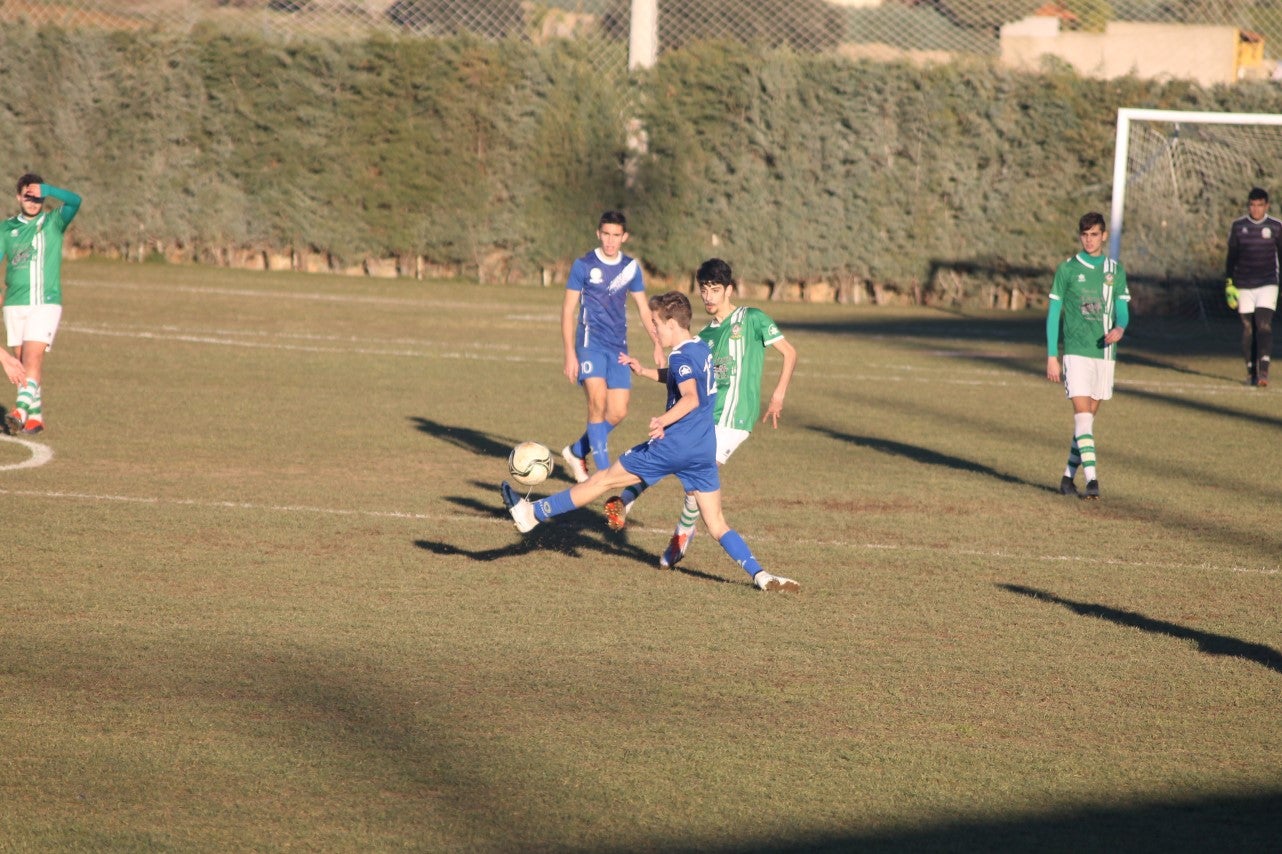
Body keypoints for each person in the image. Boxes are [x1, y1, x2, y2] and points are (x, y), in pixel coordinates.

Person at [503, 291, 799, 592]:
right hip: (702, 451)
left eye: (656, 324)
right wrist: (644, 371)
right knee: (717, 523)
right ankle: (761, 575)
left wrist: (663, 420)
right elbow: (683, 378)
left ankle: (532, 514)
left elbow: (691, 397)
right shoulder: (701, 347)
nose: (654, 331)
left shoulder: (679, 356)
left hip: (673, 446)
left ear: (671, 323)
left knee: (603, 480)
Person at [604, 258, 798, 569]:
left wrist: (778, 395)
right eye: (704, 290)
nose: (708, 296)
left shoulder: (752, 318)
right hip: (705, 415)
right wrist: (645, 372)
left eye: (715, 290)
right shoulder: (704, 336)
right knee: (671, 457)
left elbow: (789, 352)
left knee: (691, 474)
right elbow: (681, 377)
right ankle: (634, 506)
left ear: (729, 290)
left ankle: (675, 530)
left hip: (734, 419)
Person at [559, 210, 664, 484]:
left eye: (616, 235)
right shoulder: (583, 265)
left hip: (618, 348)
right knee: (597, 403)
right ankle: (604, 474)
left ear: (624, 237)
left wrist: (656, 343)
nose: (610, 240)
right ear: (598, 233)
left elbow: (643, 308)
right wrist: (570, 353)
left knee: (618, 412)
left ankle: (577, 451)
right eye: (605, 234)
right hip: (589, 344)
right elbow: (568, 310)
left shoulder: (630, 268)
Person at [1046, 211, 1130, 500]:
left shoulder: (1115, 271)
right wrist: (1052, 355)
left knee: (1087, 423)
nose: (1089, 240)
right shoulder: (1067, 269)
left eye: (1094, 234)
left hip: (1104, 355)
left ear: (1104, 236)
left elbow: (1122, 309)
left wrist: (1120, 327)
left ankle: (1067, 478)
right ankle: (1092, 480)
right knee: (1082, 417)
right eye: (1084, 234)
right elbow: (1053, 314)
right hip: (1076, 352)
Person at [1, 173, 82, 435]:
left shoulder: (54, 221)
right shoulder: (6, 228)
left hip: (46, 303)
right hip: (14, 303)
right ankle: (35, 417)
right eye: (28, 196)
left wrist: (49, 189)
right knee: (20, 361)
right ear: (19, 197)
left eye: (38, 197)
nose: (33, 201)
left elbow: (75, 201)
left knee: (33, 357)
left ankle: (20, 412)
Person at [1224, 187, 1282, 387]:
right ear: (1248, 206)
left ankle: (1263, 372)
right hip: (1243, 285)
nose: (1256, 209)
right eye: (1252, 205)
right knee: (1248, 327)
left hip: (1268, 282)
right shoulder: (1238, 226)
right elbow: (1231, 257)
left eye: (1259, 205)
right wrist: (1229, 283)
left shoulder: (1276, 226)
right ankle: (1251, 372)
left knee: (1263, 324)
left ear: (1266, 206)